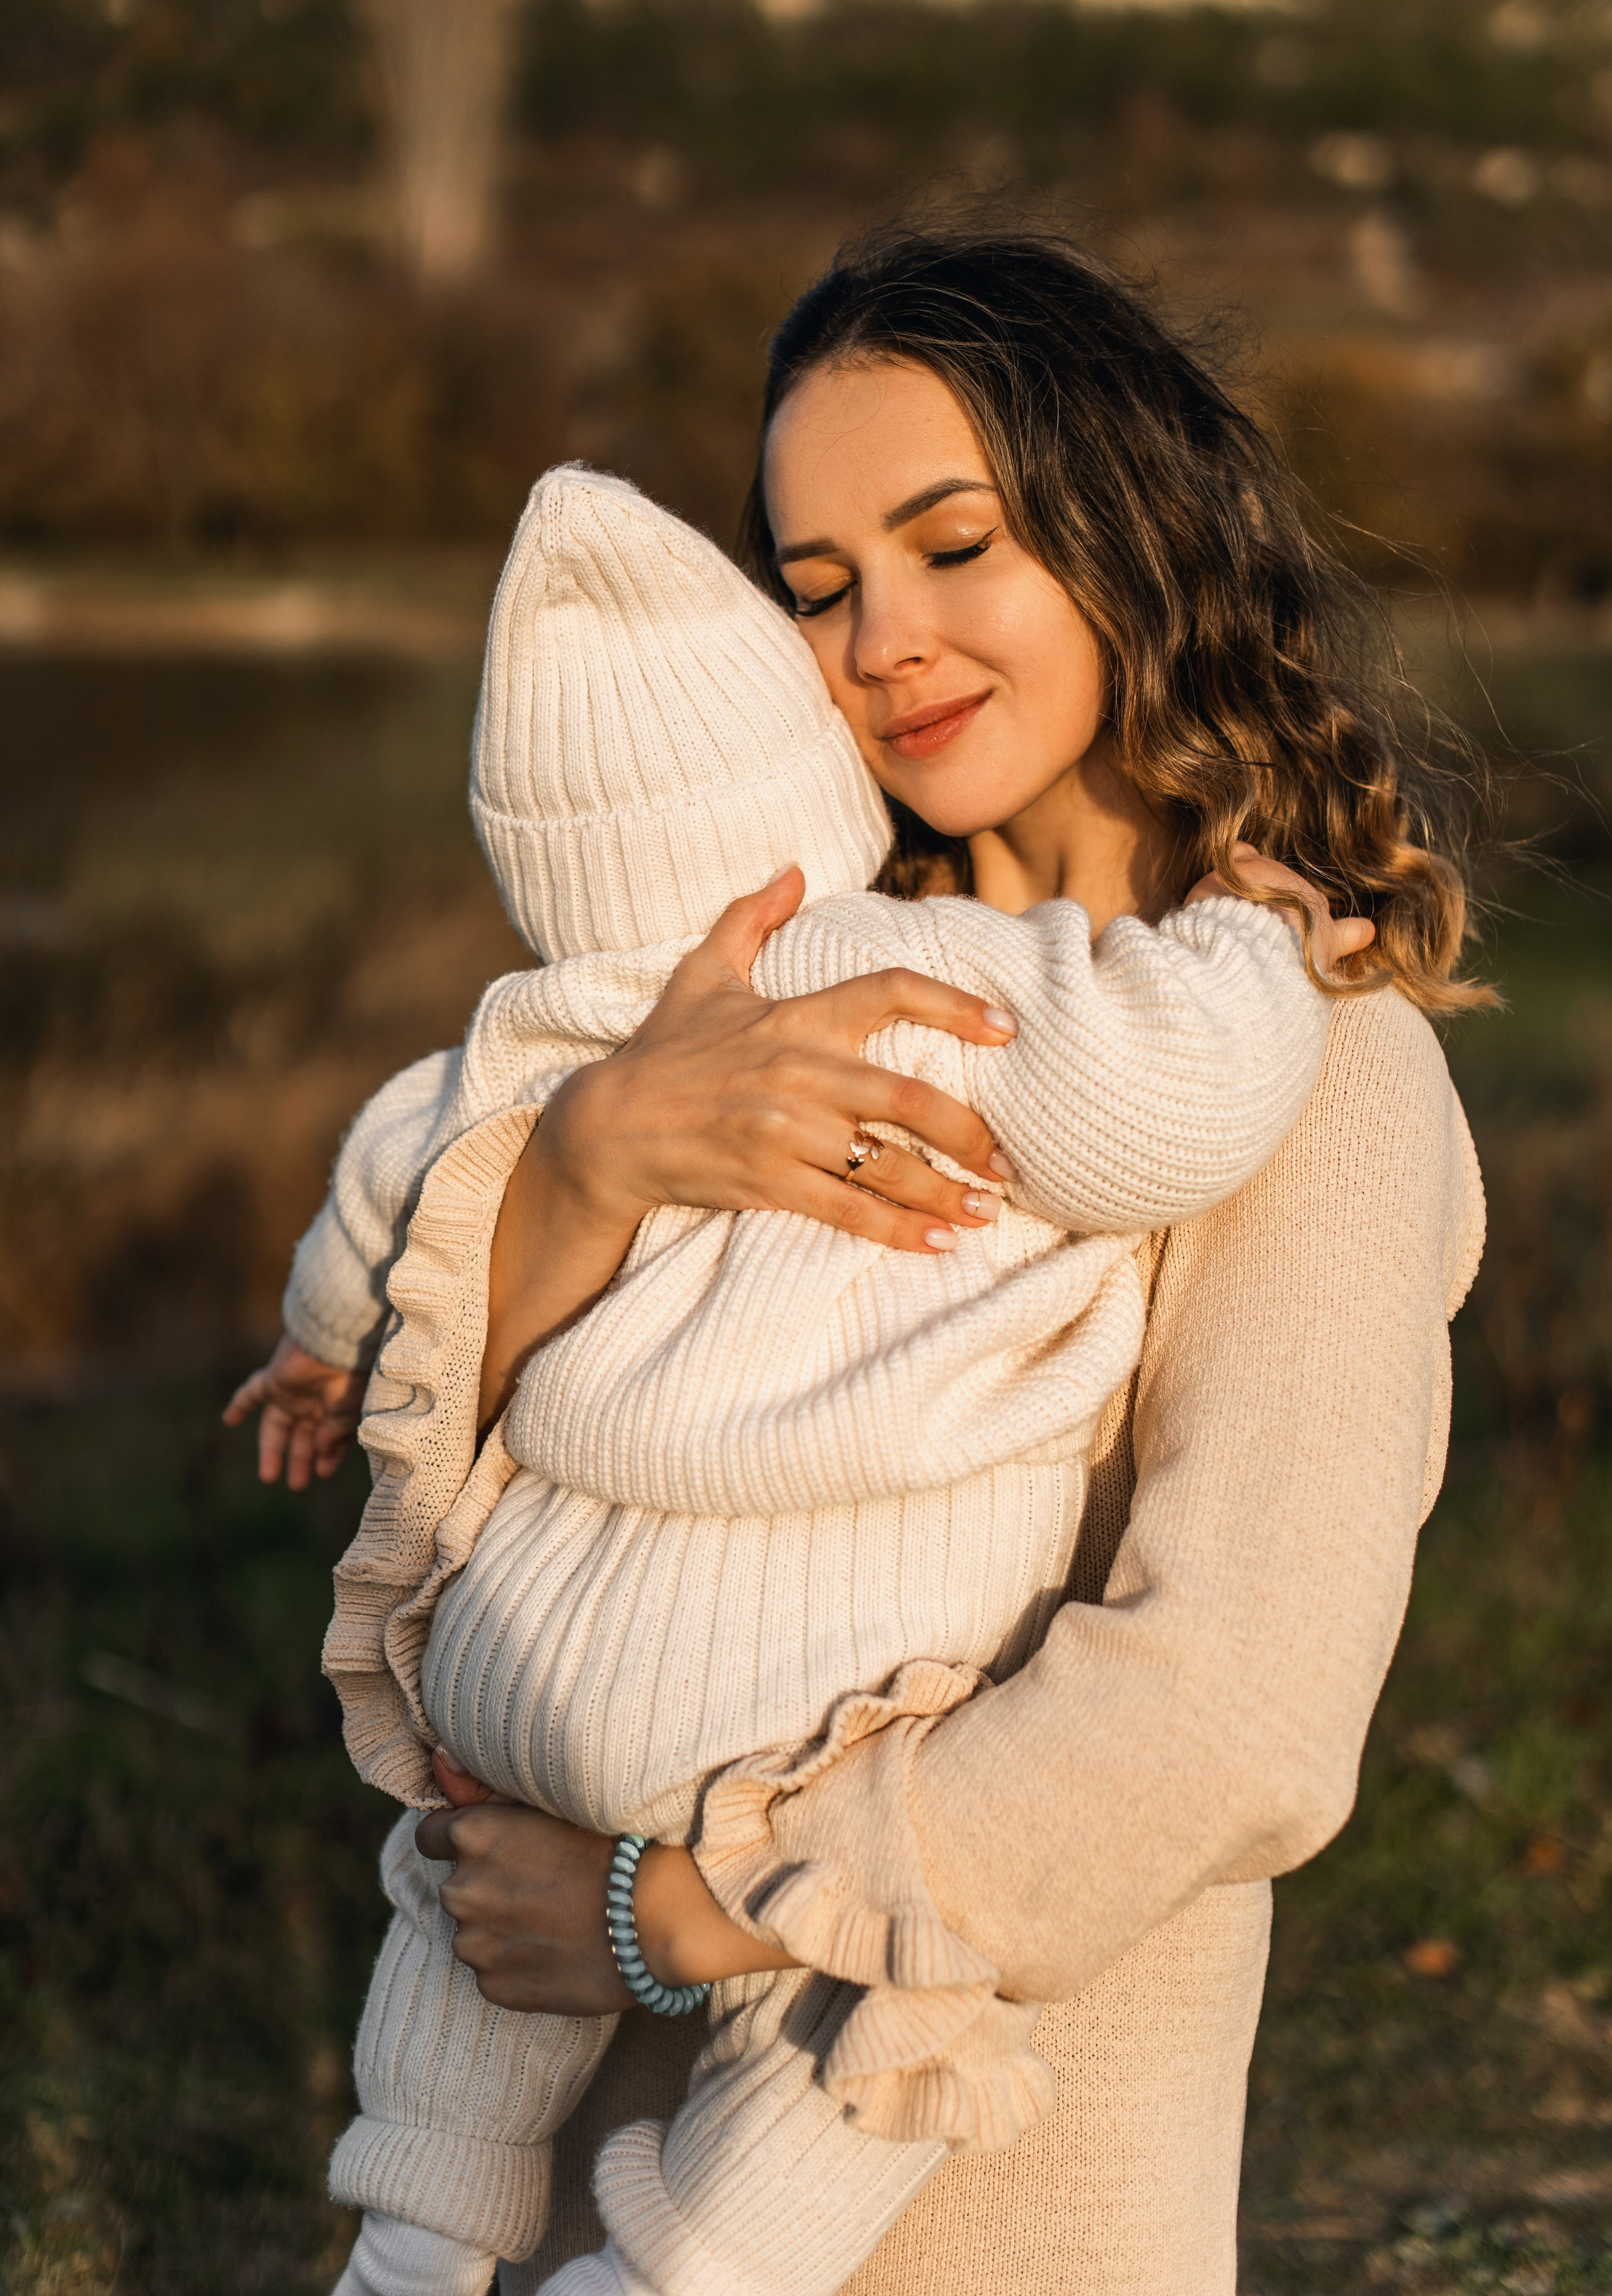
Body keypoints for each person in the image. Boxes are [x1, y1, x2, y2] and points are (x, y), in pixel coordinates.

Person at [235, 220, 1488, 2295]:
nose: (882, 639)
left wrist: (669, 1910)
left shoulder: (1318, 1074)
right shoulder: (760, 992)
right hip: (555, 2192)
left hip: (994, 2210)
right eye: (817, 590)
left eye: (952, 544)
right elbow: (493, 1509)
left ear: (1136, 538)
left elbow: (1236, 1711)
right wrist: (591, 1162)